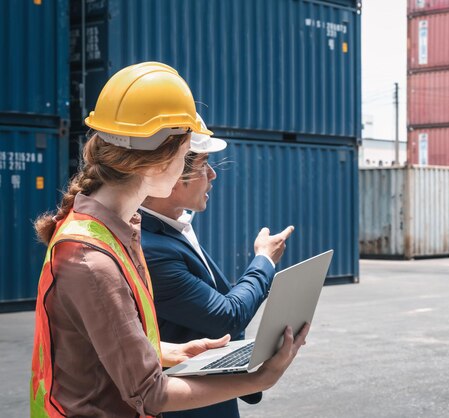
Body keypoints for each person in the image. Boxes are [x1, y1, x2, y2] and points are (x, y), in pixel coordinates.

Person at [30, 62, 308, 417]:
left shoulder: (113, 230)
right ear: (158, 163)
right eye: (185, 154)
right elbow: (150, 393)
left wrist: (166, 350)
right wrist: (261, 378)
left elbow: (96, 342)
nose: (195, 169)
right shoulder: (91, 258)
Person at [139, 114, 294, 418]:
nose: (212, 175)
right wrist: (264, 260)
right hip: (186, 406)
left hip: (210, 396)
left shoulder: (171, 227)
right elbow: (226, 316)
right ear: (170, 176)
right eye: (203, 165)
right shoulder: (151, 248)